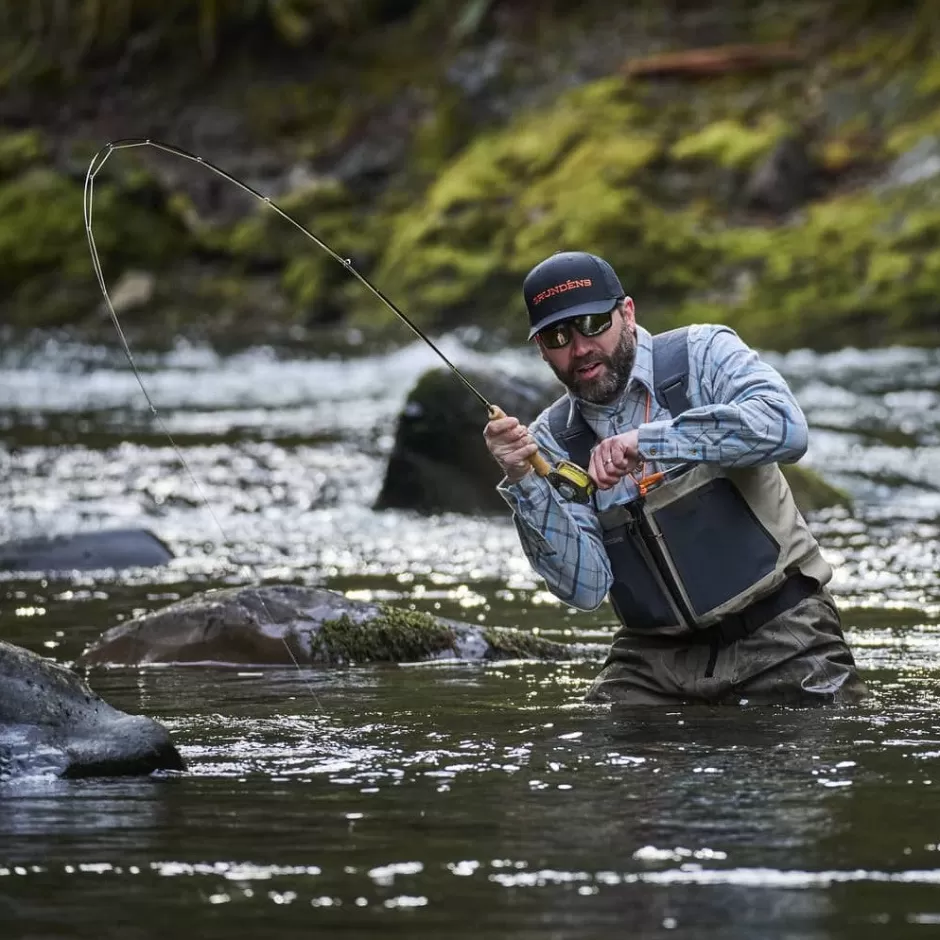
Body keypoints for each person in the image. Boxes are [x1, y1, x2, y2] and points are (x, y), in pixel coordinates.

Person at [484, 250, 867, 705]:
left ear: (627, 313)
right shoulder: (551, 440)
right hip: (652, 661)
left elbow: (786, 428)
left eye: (592, 325)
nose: (580, 348)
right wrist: (525, 482)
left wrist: (648, 442)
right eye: (558, 335)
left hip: (784, 631)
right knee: (588, 758)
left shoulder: (702, 354)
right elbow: (585, 590)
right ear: (541, 349)